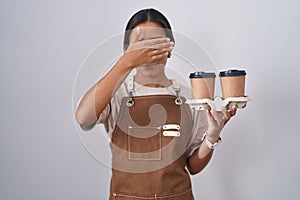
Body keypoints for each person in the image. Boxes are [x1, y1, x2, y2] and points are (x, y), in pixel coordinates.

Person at [76, 8, 237, 200]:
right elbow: (84, 119)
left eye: (157, 43)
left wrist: (212, 135)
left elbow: (193, 167)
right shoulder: (114, 94)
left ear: (170, 49)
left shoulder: (190, 97)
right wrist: (125, 64)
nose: (149, 52)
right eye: (141, 45)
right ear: (127, 50)